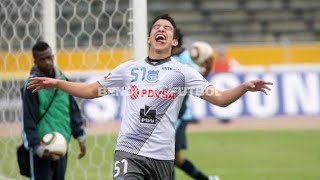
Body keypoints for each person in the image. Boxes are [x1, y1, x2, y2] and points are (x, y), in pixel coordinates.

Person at [27, 14, 272, 180]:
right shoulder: (129, 69)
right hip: (128, 152)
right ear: (149, 38)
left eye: (167, 28)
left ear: (174, 41)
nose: (161, 30)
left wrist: (243, 87)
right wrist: (58, 83)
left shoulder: (183, 73)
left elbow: (219, 98)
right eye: (156, 28)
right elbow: (92, 90)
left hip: (162, 157)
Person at [21, 41, 86, 180]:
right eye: (42, 59)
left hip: (61, 144)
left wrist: (80, 136)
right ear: (35, 61)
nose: (47, 62)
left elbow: (72, 109)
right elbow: (29, 118)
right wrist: (36, 147)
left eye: (49, 58)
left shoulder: (63, 80)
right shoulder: (31, 86)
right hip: (41, 147)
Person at [171, 29, 219, 180]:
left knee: (167, 155)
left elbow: (198, 78)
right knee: (174, 158)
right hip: (163, 115)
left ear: (175, 41)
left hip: (179, 115)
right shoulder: (163, 57)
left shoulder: (185, 58)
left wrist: (208, 69)